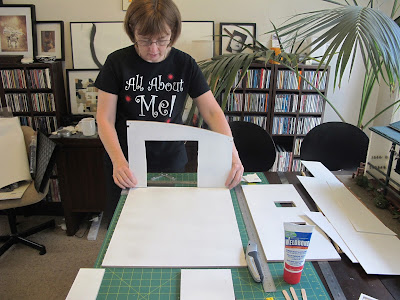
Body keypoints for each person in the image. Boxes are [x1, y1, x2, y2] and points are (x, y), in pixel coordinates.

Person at [95, 0, 244, 220]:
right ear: (132, 32)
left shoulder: (185, 64)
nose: (153, 50)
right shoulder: (116, 62)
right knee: (124, 224)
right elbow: (104, 118)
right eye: (144, 41)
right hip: (126, 160)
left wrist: (233, 155)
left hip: (170, 159)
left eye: (162, 41)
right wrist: (118, 161)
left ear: (173, 33)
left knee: (168, 220)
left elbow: (212, 112)